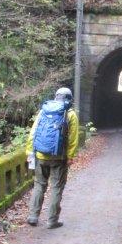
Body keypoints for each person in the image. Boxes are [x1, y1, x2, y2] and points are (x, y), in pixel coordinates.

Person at [26, 87, 79, 228]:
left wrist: (30, 152)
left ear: (56, 96)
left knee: (39, 185)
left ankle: (33, 216)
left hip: (40, 155)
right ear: (70, 99)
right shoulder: (70, 114)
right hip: (59, 157)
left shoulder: (44, 110)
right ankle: (52, 220)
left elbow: (33, 132)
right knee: (56, 187)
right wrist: (70, 156)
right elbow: (73, 139)